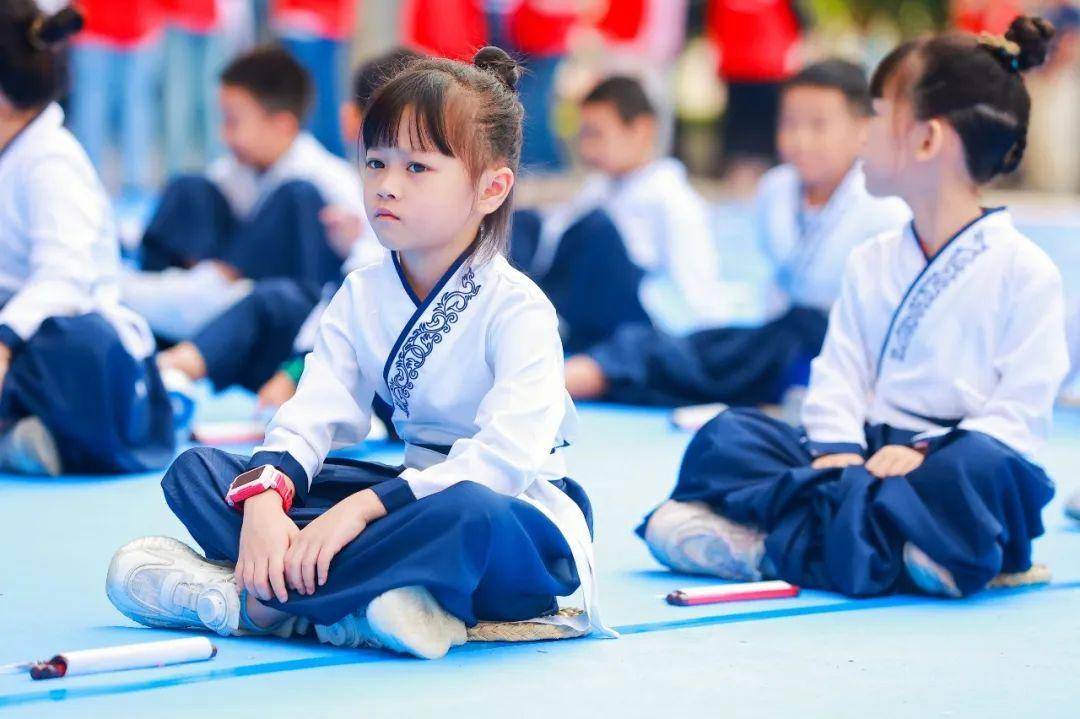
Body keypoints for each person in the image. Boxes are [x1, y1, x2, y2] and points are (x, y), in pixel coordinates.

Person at [105, 47, 615, 660]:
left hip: (509, 518)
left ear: (491, 187)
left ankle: (257, 601)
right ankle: (371, 605)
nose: (386, 187)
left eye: (418, 168)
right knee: (201, 473)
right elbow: (311, 413)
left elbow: (502, 464)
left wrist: (360, 512)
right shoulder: (362, 291)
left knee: (468, 518)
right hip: (402, 501)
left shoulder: (520, 308)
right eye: (375, 162)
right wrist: (269, 496)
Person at [639, 17, 1068, 599]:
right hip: (860, 457)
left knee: (989, 475)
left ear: (926, 140)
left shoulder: (1026, 271)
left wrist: (920, 454)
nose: (864, 137)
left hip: (946, 462)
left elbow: (1019, 415)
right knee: (730, 437)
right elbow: (838, 373)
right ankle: (888, 550)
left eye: (879, 117)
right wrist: (839, 447)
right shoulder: (872, 259)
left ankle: (776, 545)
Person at [563, 60, 910, 407]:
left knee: (692, 359)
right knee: (694, 349)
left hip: (838, 350)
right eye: (789, 123)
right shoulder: (776, 189)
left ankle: (583, 375)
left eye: (818, 126)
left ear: (863, 129)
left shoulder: (884, 206)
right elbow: (777, 288)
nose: (800, 140)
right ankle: (586, 372)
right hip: (776, 339)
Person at [156, 49, 420, 409]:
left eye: (419, 163)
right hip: (262, 318)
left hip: (305, 326)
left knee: (278, 280)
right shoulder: (232, 175)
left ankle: (169, 368)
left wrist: (296, 370)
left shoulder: (328, 184)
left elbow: (358, 286)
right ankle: (170, 353)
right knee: (190, 190)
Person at [0, 3, 174, 476]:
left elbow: (64, 282)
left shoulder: (51, 162)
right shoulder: (12, 153)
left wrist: (4, 339)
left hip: (79, 351)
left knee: (75, 342)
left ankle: (31, 433)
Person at [122, 46, 364, 342]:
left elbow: (367, 256)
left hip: (280, 309)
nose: (225, 136)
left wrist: (349, 240)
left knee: (296, 197)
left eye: (233, 121)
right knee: (189, 188)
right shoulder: (236, 170)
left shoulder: (327, 179)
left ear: (282, 125)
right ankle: (168, 299)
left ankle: (196, 300)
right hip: (216, 286)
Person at [512, 75, 727, 357]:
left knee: (597, 229)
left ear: (641, 130)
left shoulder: (674, 202)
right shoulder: (598, 187)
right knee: (522, 221)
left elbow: (696, 294)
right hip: (578, 303)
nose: (586, 149)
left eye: (596, 134)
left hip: (633, 322)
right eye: (583, 136)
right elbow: (552, 249)